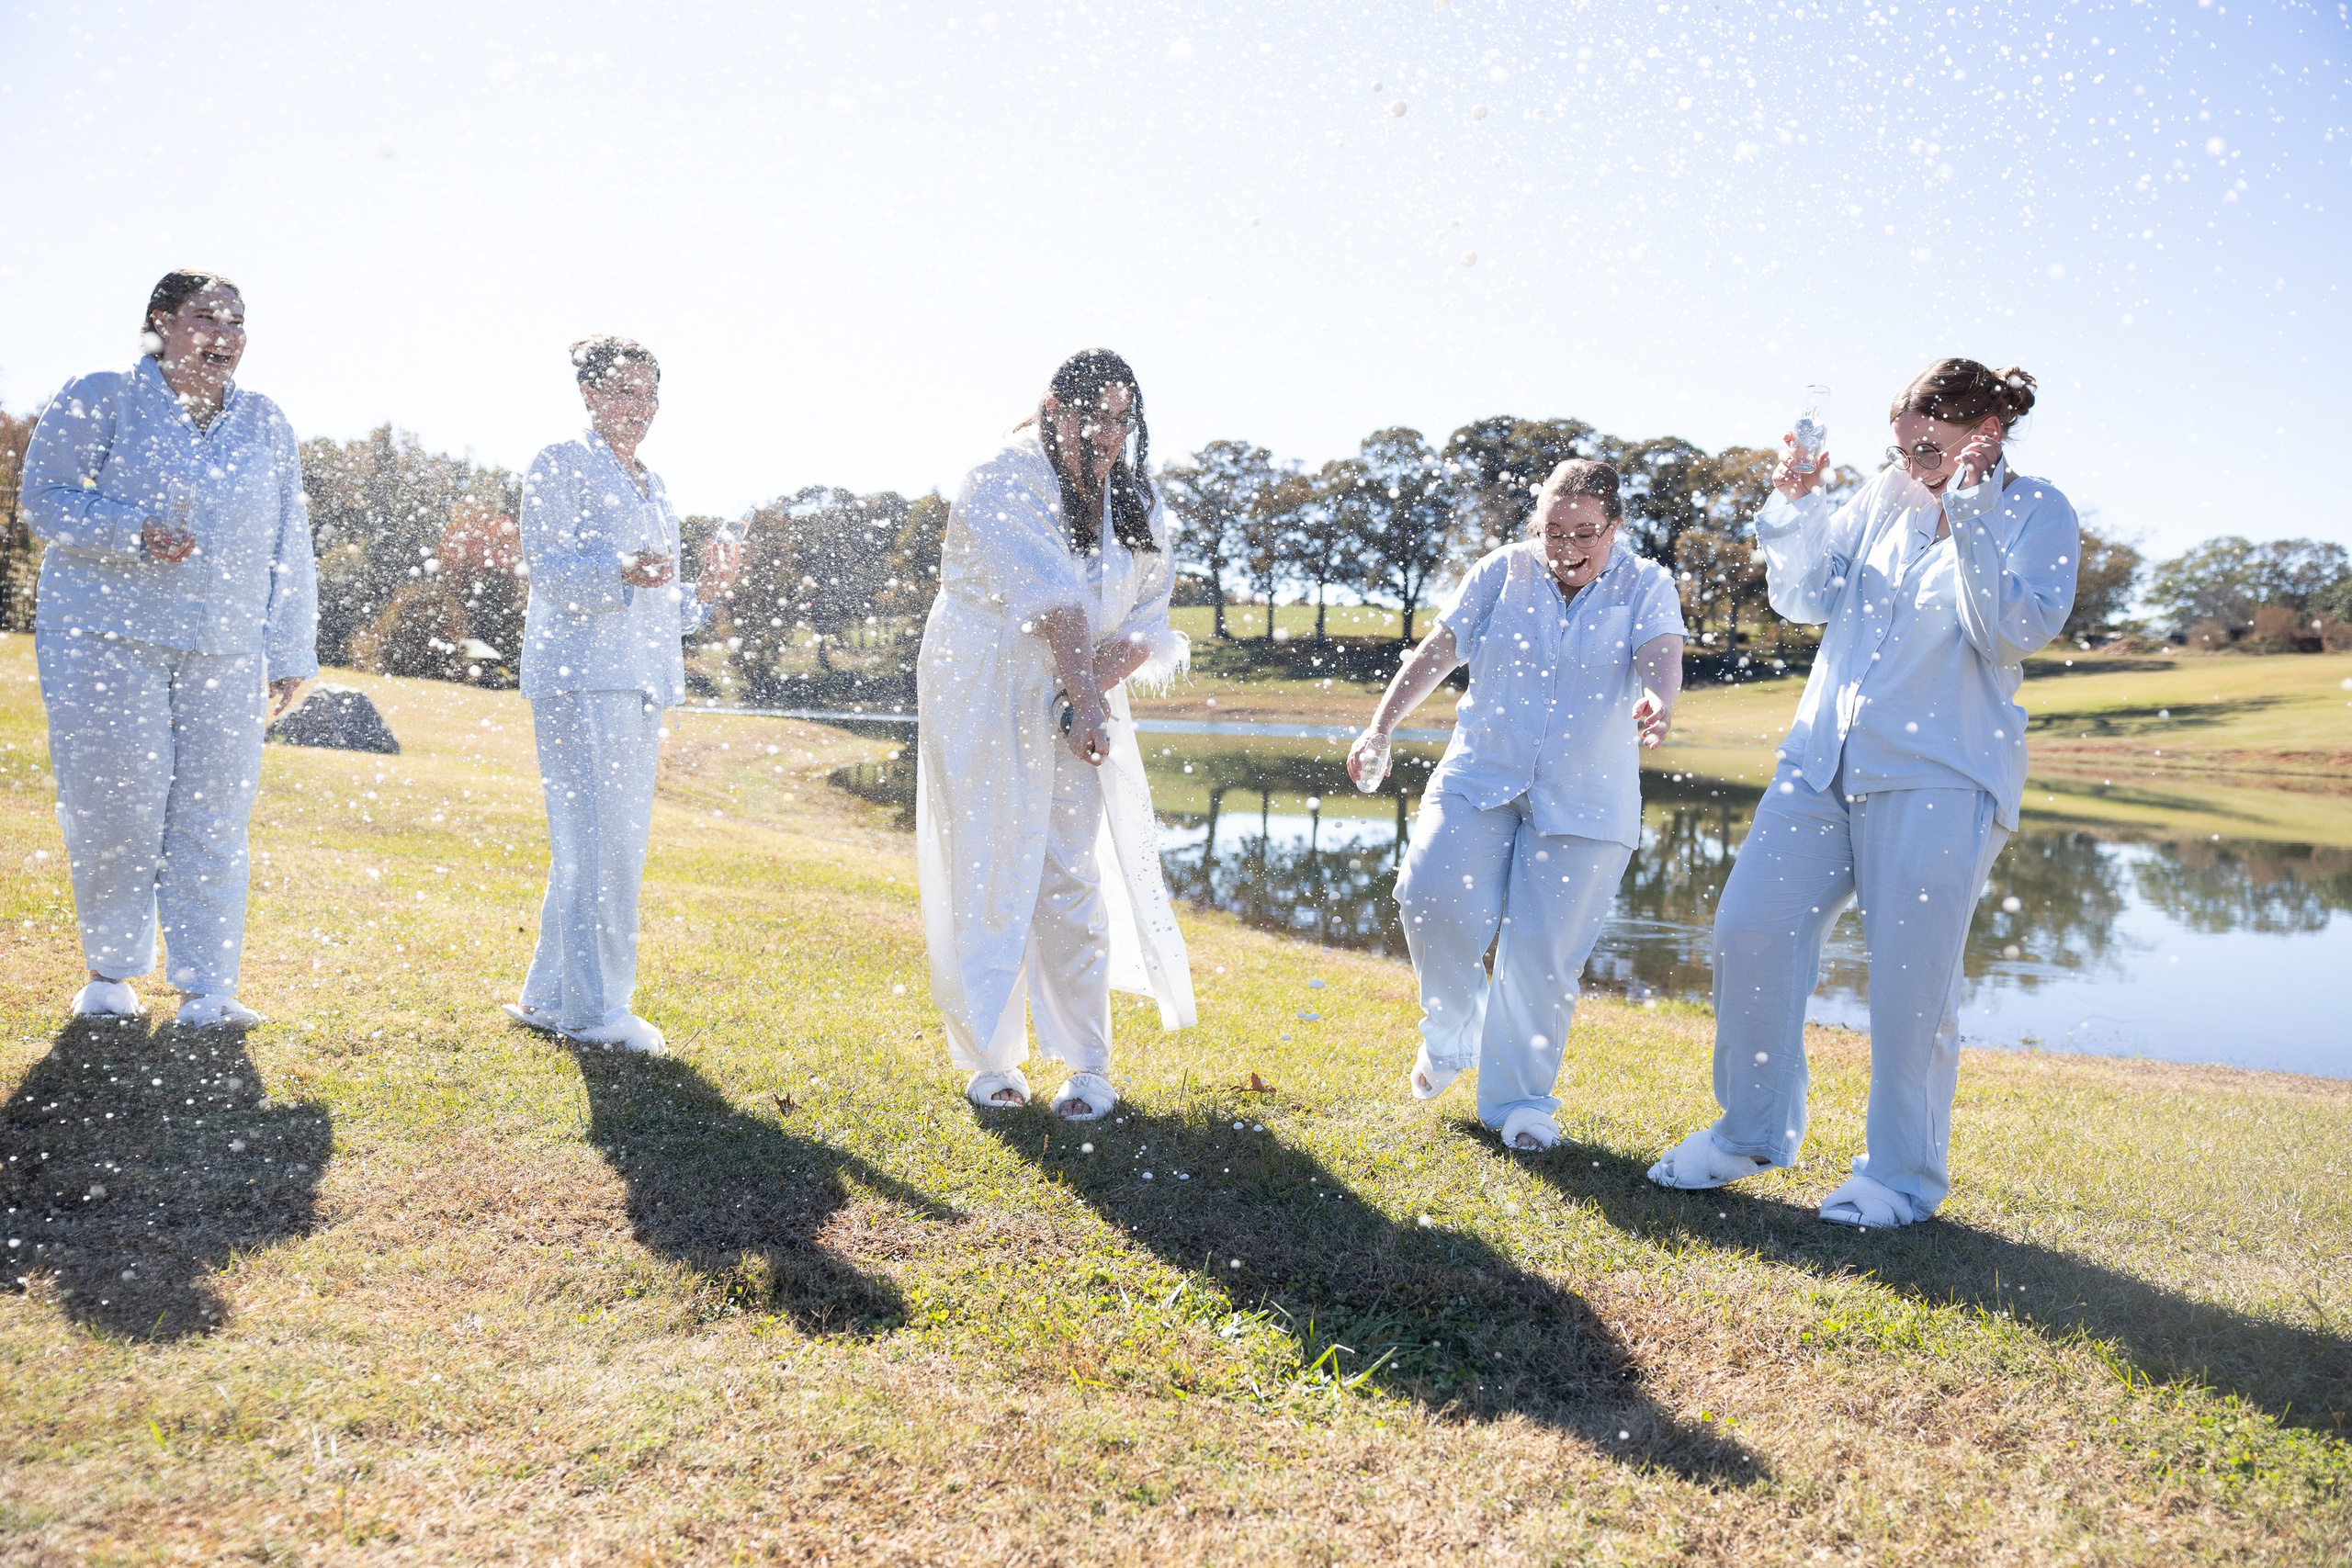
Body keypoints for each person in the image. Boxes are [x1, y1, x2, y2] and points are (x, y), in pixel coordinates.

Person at [1647, 359, 2077, 1228]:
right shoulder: (1886, 496)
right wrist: (1800, 502)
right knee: (1751, 928)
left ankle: (1899, 1178)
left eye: (1930, 446)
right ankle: (1751, 1131)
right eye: (1902, 445)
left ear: (1984, 436)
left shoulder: (2039, 511)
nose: (1913, 461)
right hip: (1820, 760)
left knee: (1913, 983)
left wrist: (1972, 515)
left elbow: (2008, 632)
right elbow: (1804, 597)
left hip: (1940, 777)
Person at [1349, 460, 1685, 1151]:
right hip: (1482, 772)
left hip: (1588, 795)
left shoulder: (1646, 583)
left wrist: (1659, 701)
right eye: (1552, 529)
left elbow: (1661, 653)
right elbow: (1438, 649)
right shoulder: (1503, 571)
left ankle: (1521, 1104)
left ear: (1615, 527)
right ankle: (1449, 1033)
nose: (1565, 547)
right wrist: (1380, 725)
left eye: (1584, 532)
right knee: (1427, 896)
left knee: (1542, 954)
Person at [18, 269, 317, 1028]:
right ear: (160, 323)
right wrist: (133, 532)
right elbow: (44, 497)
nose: (224, 337)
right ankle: (111, 973)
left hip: (224, 650)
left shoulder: (267, 423)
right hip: (106, 638)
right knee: (117, 809)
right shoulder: (103, 393)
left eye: (237, 323)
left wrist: (288, 647)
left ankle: (207, 987)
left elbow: (292, 541)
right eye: (205, 319)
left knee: (215, 814)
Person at [916, 348, 1194, 1121]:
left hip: (1080, 688)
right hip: (983, 686)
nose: (1105, 434)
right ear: (1052, 408)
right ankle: (989, 1060)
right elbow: (1052, 604)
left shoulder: (1135, 497)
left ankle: (1087, 1063)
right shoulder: (1005, 476)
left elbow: (1148, 619)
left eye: (1119, 417)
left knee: (1070, 871)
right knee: (991, 861)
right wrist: (1080, 697)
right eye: (1089, 415)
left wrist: (1085, 700)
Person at [501, 336, 740, 1055]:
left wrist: (709, 592)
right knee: (599, 847)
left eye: (649, 395)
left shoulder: (655, 485)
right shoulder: (558, 463)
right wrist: (619, 565)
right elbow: (545, 568)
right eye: (625, 391)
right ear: (590, 395)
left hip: (637, 681)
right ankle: (598, 1012)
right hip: (579, 676)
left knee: (597, 845)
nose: (639, 408)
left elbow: (657, 598)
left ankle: (548, 997)